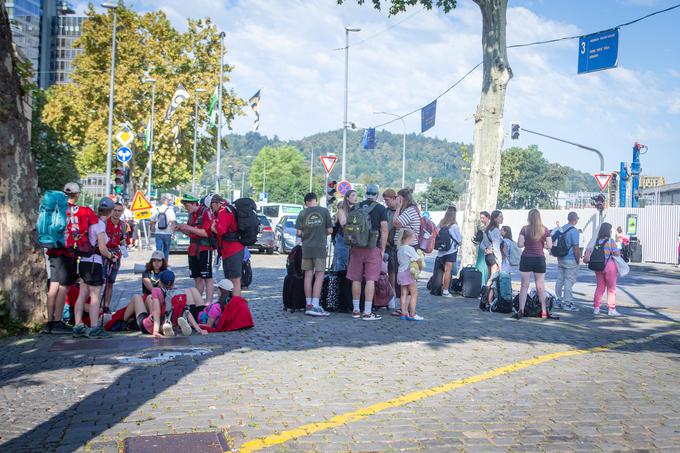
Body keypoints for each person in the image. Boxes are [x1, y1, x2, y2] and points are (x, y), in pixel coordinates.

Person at [43, 182, 98, 334]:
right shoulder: (83, 211)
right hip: (68, 252)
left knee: (53, 286)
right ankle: (58, 320)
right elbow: (97, 224)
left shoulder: (55, 209)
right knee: (64, 287)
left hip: (53, 250)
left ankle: (49, 323)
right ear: (77, 195)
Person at [72, 197, 119, 338]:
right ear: (110, 212)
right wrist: (111, 256)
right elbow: (102, 248)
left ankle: (78, 325)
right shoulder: (100, 224)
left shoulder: (89, 221)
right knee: (95, 296)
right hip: (94, 263)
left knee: (82, 295)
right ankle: (94, 328)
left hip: (84, 262)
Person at [347, 184, 388, 321]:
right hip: (372, 247)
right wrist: (382, 249)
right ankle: (368, 311)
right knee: (370, 279)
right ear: (377, 195)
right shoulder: (381, 209)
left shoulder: (355, 207)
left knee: (356, 279)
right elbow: (384, 230)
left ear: (365, 194)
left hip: (356, 247)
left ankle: (356, 309)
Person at [295, 192, 333, 317]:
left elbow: (298, 232)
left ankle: (308, 304)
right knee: (320, 275)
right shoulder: (324, 211)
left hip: (306, 248)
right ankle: (316, 305)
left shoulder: (302, 213)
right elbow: (330, 230)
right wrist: (320, 234)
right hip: (320, 247)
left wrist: (308, 235)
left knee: (308, 275)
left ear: (306, 203)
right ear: (315, 200)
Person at [175, 193, 214, 305]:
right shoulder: (191, 215)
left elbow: (206, 233)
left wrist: (188, 227)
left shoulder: (205, 212)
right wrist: (181, 229)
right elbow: (191, 233)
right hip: (193, 249)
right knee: (197, 278)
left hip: (204, 248)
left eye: (187, 206)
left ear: (194, 203)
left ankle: (208, 303)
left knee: (207, 277)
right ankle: (198, 302)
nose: (186, 208)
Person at [514, 209, 552, 320]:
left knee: (524, 286)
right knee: (540, 287)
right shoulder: (545, 230)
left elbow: (519, 244)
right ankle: (544, 311)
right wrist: (542, 244)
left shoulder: (524, 229)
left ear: (529, 217)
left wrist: (527, 242)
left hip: (526, 258)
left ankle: (521, 310)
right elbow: (550, 245)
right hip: (539, 259)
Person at [123, 270, 176, 337]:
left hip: (147, 326)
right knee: (149, 297)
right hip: (164, 319)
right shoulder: (174, 294)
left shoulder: (156, 290)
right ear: (173, 283)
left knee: (136, 297)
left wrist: (155, 331)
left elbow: (157, 312)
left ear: (160, 282)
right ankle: (164, 327)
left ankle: (124, 321)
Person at [584, 222, 621, 316]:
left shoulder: (596, 241)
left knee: (600, 287)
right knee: (611, 288)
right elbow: (617, 254)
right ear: (608, 231)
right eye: (610, 230)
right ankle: (611, 309)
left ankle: (596, 308)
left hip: (598, 266)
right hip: (609, 266)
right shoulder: (610, 241)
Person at [211, 193, 245, 296]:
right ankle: (233, 304)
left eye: (211, 206)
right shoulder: (228, 209)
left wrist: (213, 228)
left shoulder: (224, 210)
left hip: (232, 249)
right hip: (231, 249)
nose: (211, 209)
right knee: (232, 279)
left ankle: (236, 305)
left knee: (234, 281)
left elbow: (221, 230)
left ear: (215, 203)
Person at [102, 202, 129, 313]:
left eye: (119, 211)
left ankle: (106, 306)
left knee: (110, 282)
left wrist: (123, 252)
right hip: (104, 253)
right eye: (115, 210)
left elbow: (123, 241)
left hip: (116, 255)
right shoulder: (104, 223)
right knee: (100, 281)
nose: (117, 213)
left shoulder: (123, 225)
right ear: (111, 210)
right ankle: (96, 306)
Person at [554, 212, 580, 312]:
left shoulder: (562, 228)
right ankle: (567, 303)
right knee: (568, 281)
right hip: (570, 259)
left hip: (560, 257)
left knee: (559, 279)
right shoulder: (574, 231)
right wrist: (578, 261)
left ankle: (558, 301)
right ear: (575, 219)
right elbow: (576, 248)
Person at [397, 229, 424, 321]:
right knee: (414, 293)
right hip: (408, 272)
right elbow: (418, 260)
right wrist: (420, 268)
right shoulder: (409, 248)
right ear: (409, 238)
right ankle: (412, 314)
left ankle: (403, 313)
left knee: (403, 294)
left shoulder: (400, 248)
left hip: (400, 272)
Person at [437, 206, 462, 297]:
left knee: (442, 271)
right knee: (448, 271)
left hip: (441, 251)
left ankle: (438, 288)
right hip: (450, 251)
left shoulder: (441, 224)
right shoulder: (454, 226)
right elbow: (459, 240)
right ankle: (445, 290)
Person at [382, 188, 399, 309]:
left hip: (397, 245)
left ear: (394, 198)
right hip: (388, 245)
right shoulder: (386, 211)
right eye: (385, 200)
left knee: (396, 273)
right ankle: (390, 297)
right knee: (389, 272)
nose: (386, 202)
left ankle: (394, 297)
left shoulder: (401, 211)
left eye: (387, 200)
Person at [334, 189, 357, 272]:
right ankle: (339, 281)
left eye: (356, 195)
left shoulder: (356, 209)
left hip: (352, 239)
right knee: (341, 262)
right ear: (347, 198)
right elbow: (343, 223)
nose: (355, 198)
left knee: (350, 263)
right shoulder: (341, 209)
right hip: (342, 238)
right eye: (353, 195)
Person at [480, 210, 503, 290]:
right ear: (495, 218)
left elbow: (482, 244)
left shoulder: (488, 229)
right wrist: (500, 262)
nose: (502, 218)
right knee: (492, 279)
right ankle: (485, 296)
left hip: (488, 257)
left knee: (490, 277)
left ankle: (487, 300)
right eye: (500, 216)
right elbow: (496, 247)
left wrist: (486, 250)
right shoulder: (496, 230)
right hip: (493, 256)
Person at [150, 195, 176, 260]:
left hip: (158, 233)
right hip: (168, 233)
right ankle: (165, 264)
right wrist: (173, 233)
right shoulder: (170, 210)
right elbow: (173, 223)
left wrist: (152, 229)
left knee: (158, 250)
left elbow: (152, 221)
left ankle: (158, 263)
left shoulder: (156, 210)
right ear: (167, 202)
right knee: (166, 250)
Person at [474, 211, 491, 285]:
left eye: (483, 218)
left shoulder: (490, 227)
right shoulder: (483, 227)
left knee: (484, 268)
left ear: (488, 217)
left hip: (486, 250)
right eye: (480, 218)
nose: (481, 219)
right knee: (480, 267)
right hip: (482, 249)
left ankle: (483, 285)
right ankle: (480, 284)